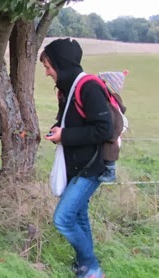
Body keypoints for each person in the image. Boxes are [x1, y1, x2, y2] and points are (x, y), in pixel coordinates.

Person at [40, 38, 113, 278]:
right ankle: (84, 264)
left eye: (49, 67)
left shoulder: (88, 87)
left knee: (63, 219)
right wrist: (57, 130)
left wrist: (66, 135)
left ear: (61, 64)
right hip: (75, 165)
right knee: (79, 216)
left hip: (91, 167)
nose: (47, 73)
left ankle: (92, 267)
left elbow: (104, 130)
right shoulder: (66, 89)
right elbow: (68, 121)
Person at [97, 70, 129, 182]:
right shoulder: (113, 100)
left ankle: (110, 172)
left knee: (109, 152)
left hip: (112, 137)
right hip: (114, 135)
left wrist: (110, 134)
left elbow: (116, 121)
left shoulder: (110, 102)